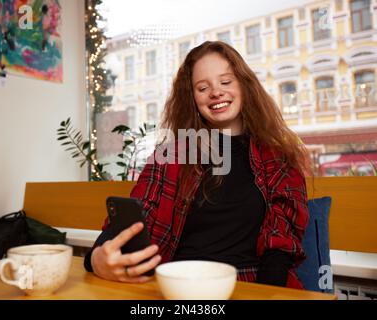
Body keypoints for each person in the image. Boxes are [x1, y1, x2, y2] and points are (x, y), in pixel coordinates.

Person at [84, 41, 310, 289]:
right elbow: (136, 216)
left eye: (226, 82)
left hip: (249, 285)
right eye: (203, 87)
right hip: (176, 284)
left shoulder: (277, 156)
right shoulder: (172, 154)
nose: (216, 92)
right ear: (192, 98)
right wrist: (95, 258)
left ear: (244, 85)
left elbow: (281, 242)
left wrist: (265, 295)